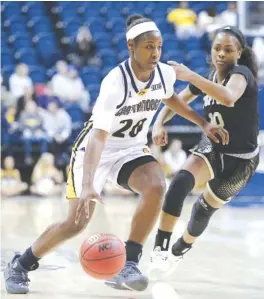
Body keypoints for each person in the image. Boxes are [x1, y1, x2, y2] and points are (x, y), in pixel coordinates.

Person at [4, 14, 227, 294]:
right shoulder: (115, 82)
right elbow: (98, 136)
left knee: (157, 185)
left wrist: (203, 123)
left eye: (158, 46)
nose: (155, 52)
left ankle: (129, 263)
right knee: (76, 223)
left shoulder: (165, 73)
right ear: (131, 46)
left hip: (131, 147)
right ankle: (21, 264)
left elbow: (169, 96)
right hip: (95, 149)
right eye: (148, 47)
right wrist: (87, 185)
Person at [149, 26, 259, 276]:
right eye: (217, 48)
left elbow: (229, 97)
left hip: (241, 162)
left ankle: (181, 248)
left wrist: (190, 76)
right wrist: (158, 121)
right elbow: (176, 100)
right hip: (213, 148)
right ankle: (160, 251)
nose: (221, 53)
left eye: (228, 49)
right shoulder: (208, 77)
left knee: (203, 209)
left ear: (239, 53)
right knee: (179, 183)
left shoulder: (242, 74)